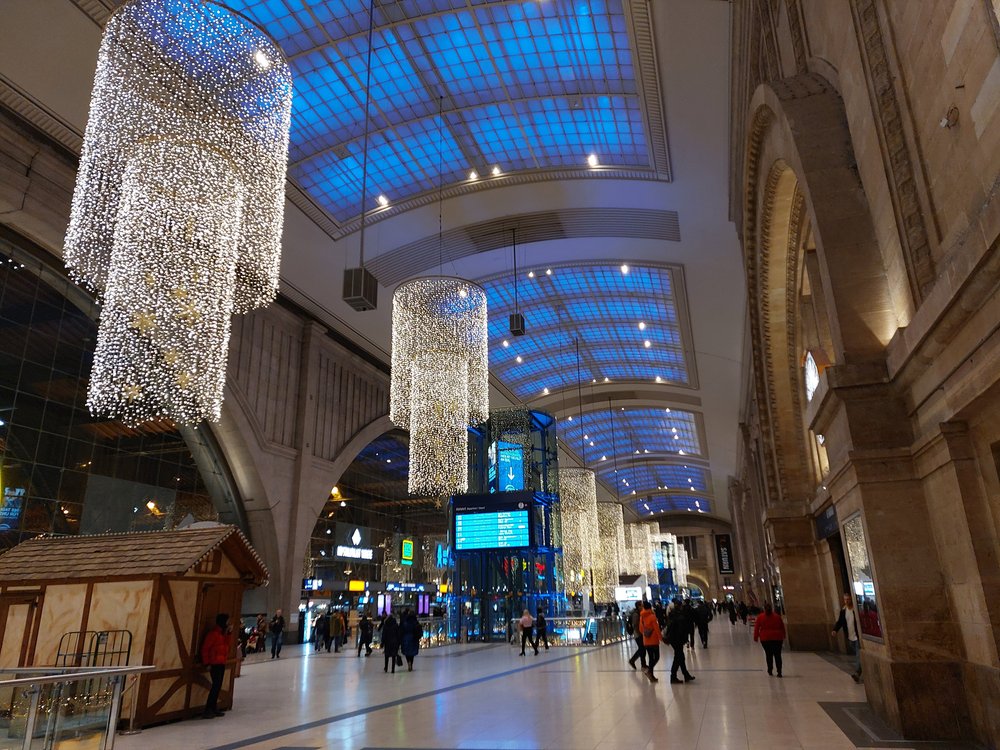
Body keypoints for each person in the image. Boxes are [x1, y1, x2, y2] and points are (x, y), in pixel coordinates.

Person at [200, 613, 231, 719]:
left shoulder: (222, 634)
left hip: (221, 662)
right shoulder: (213, 634)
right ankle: (208, 709)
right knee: (215, 686)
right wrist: (207, 663)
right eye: (227, 621)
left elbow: (226, 646)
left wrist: (228, 634)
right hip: (214, 664)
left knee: (217, 687)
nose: (228, 623)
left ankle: (213, 707)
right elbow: (205, 649)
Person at [833, 593, 862, 682]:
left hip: (857, 636)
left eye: (848, 599)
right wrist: (835, 630)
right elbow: (840, 622)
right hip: (850, 636)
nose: (847, 601)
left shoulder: (857, 609)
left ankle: (857, 673)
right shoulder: (843, 611)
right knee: (858, 654)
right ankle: (861, 667)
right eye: (845, 599)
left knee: (858, 655)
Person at [664, 603, 695, 684]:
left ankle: (685, 675)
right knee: (678, 658)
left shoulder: (672, 615)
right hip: (678, 640)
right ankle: (673, 677)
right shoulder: (680, 617)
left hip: (673, 640)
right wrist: (685, 639)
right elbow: (682, 630)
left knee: (680, 657)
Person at [753, 601, 786, 677]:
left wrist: (756, 637)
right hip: (777, 638)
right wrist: (784, 635)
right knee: (777, 655)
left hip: (765, 638)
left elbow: (757, 628)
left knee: (768, 654)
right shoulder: (777, 616)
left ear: (764, 609)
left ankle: (770, 670)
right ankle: (779, 671)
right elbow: (782, 626)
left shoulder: (760, 617)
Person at [638, 601, 661, 683]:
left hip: (646, 641)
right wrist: (660, 638)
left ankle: (651, 673)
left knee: (651, 658)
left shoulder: (642, 617)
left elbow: (640, 629)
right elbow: (657, 628)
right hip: (654, 640)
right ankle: (649, 671)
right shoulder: (652, 616)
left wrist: (645, 634)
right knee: (657, 657)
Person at [627, 602, 647, 671]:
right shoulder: (636, 614)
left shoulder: (639, 612)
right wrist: (640, 633)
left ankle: (642, 664)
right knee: (642, 649)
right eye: (641, 605)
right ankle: (635, 661)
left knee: (642, 649)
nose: (643, 606)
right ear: (638, 606)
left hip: (639, 633)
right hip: (638, 634)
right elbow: (635, 625)